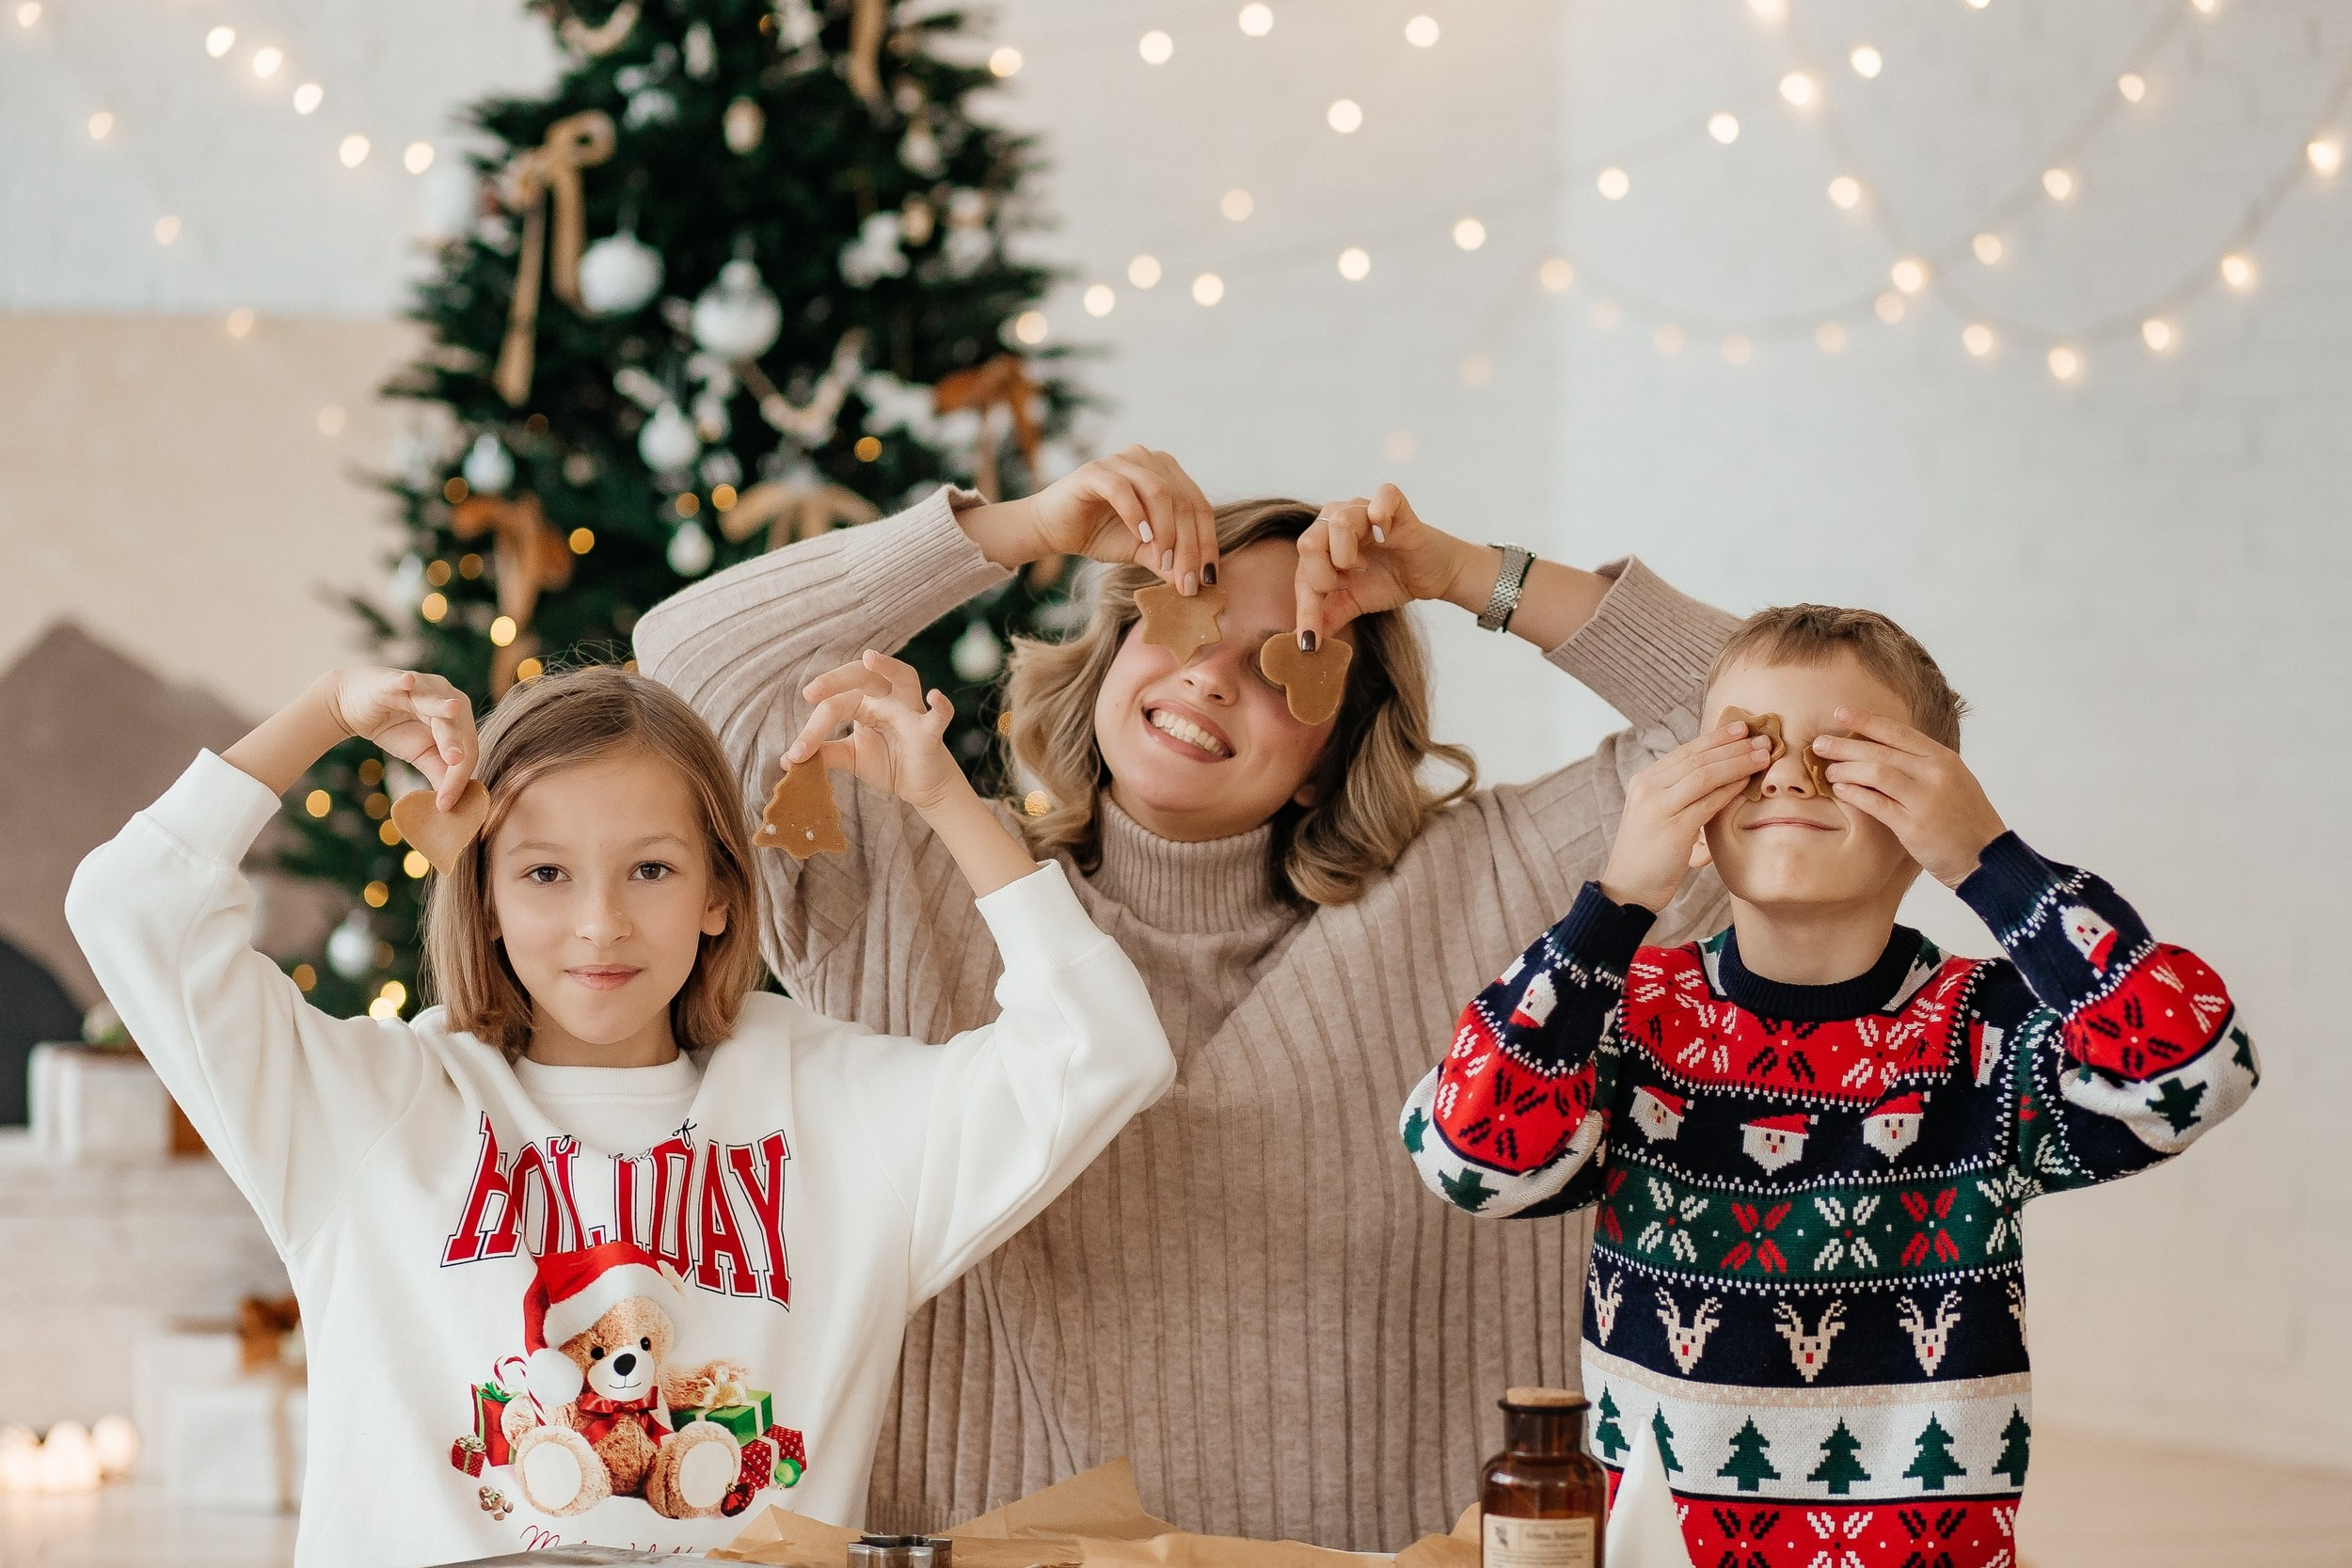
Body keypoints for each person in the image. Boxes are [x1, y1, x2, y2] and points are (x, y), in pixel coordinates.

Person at [633, 450, 1742, 1547]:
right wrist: (1021, 530)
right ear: (1113, 649)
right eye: (1184, 620)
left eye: (1283, 662)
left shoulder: (1492, 886)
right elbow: (688, 671)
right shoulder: (906, 868)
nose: (1212, 676)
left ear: (1329, 754)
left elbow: (1771, 724)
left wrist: (1465, 573)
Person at [64, 659, 1172, 1566]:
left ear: (719, 892)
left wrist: (943, 802)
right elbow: (132, 907)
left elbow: (1103, 1045)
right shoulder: (369, 1106)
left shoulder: (837, 1108)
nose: (600, 923)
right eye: (545, 873)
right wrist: (322, 711)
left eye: (649, 869)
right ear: (484, 899)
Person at [1402, 605, 2258, 1567]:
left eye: (1842, 754)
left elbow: (2199, 1070)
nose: (1785, 776)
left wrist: (1990, 860)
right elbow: (1465, 1156)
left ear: (1928, 801)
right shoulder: (1631, 1014)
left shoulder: (1988, 1033)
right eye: (1745, 748)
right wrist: (1614, 904)